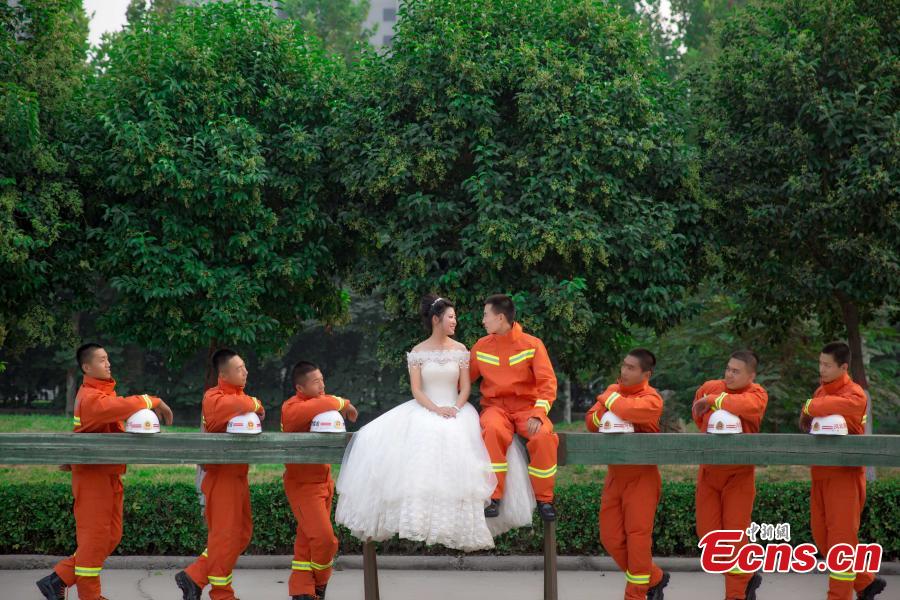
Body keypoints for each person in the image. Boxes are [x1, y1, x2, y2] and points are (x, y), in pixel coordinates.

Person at [336, 294, 534, 551]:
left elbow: (465, 387)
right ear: (436, 319)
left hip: (457, 411)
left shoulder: (462, 350)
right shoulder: (417, 352)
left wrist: (454, 407)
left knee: (467, 465)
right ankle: (419, 520)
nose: (456, 321)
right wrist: (435, 408)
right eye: (451, 317)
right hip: (424, 409)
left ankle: (462, 522)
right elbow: (417, 390)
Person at [36, 343, 173, 600]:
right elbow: (114, 409)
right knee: (96, 539)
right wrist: (152, 400)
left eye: (108, 359)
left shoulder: (103, 393)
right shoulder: (90, 396)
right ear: (86, 367)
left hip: (108, 474)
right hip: (92, 478)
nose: (108, 363)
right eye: (101, 360)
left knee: (111, 535)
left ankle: (59, 578)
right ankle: (89, 595)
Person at [176, 349, 266, 600]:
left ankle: (194, 576)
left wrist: (253, 403)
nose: (245, 372)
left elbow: (248, 407)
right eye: (239, 369)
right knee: (224, 537)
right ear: (223, 373)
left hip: (238, 476)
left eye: (245, 367)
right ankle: (222, 594)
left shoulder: (241, 396)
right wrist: (255, 404)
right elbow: (232, 407)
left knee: (241, 534)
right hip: (220, 478)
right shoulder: (213, 397)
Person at [799, 342, 886, 600]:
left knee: (841, 543)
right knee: (821, 536)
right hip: (820, 475)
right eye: (820, 363)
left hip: (845, 478)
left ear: (843, 367)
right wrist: (810, 407)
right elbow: (815, 415)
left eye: (827, 365)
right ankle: (865, 582)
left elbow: (828, 408)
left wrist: (808, 407)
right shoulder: (819, 390)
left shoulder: (856, 394)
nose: (821, 369)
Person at [585, 349, 669, 600]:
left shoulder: (652, 399)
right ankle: (654, 578)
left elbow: (630, 411)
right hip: (615, 476)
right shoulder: (614, 391)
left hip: (642, 478)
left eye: (631, 368)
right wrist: (611, 400)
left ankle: (635, 595)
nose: (624, 371)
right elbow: (592, 422)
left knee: (638, 540)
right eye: (624, 366)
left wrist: (609, 399)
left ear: (646, 374)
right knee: (610, 538)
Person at [470, 294, 559, 522]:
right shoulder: (480, 347)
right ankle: (494, 497)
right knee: (492, 431)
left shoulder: (532, 344)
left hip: (527, 409)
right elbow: (463, 379)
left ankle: (545, 500)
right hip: (495, 409)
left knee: (543, 437)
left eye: (486, 315)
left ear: (500, 318)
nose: (483, 321)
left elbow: (547, 384)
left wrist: (539, 414)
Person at [692, 350, 768, 600]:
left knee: (734, 538)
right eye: (728, 369)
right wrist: (712, 400)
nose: (729, 374)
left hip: (739, 475)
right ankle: (747, 576)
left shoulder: (757, 393)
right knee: (709, 537)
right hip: (709, 472)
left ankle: (736, 593)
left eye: (736, 371)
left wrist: (715, 400)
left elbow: (746, 406)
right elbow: (698, 413)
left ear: (751, 376)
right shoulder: (710, 387)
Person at [281, 361, 358, 600]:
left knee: (306, 543)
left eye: (323, 380)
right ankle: (320, 584)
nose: (322, 386)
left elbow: (323, 402)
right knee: (325, 540)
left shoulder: (320, 408)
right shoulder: (292, 408)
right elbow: (324, 402)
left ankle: (302, 591)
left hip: (323, 482)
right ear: (300, 388)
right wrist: (344, 402)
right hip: (303, 485)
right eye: (316, 382)